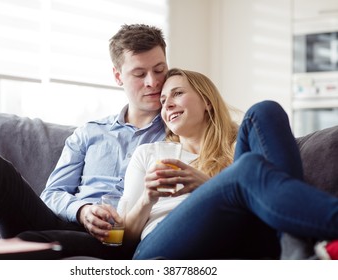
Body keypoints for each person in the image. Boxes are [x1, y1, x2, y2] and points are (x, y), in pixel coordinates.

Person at [0, 23, 168, 259]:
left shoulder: (178, 134)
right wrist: (82, 210)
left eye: (159, 70)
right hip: (66, 224)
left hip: (121, 239)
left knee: (28, 241)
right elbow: (53, 193)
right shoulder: (90, 133)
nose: (152, 82)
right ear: (118, 76)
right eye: (139, 74)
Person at [121, 68, 338, 259]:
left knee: (265, 110)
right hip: (160, 243)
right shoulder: (149, 153)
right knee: (248, 167)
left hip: (239, 237)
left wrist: (205, 183)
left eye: (177, 93)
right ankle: (297, 242)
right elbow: (125, 239)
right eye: (163, 101)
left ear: (206, 101)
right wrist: (147, 199)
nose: (167, 104)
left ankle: (292, 245)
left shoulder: (237, 148)